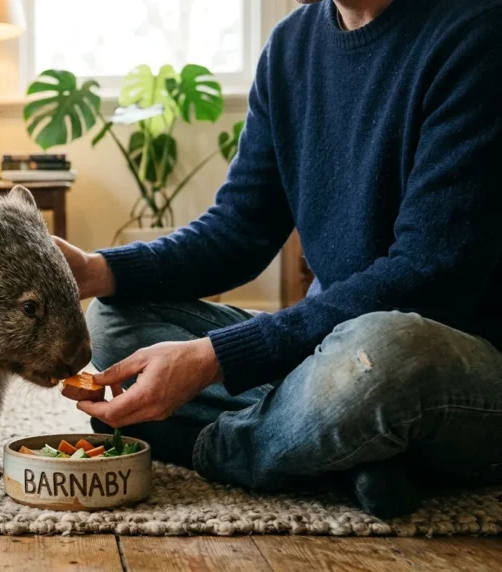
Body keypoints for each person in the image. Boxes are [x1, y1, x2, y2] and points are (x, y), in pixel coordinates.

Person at [56, 0, 502, 518]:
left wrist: (216, 358)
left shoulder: (478, 33)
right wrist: (99, 270)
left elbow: (429, 276)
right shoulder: (292, 44)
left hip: (448, 358)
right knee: (116, 319)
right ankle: (341, 448)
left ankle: (220, 446)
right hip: (331, 353)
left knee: (386, 354)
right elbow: (239, 231)